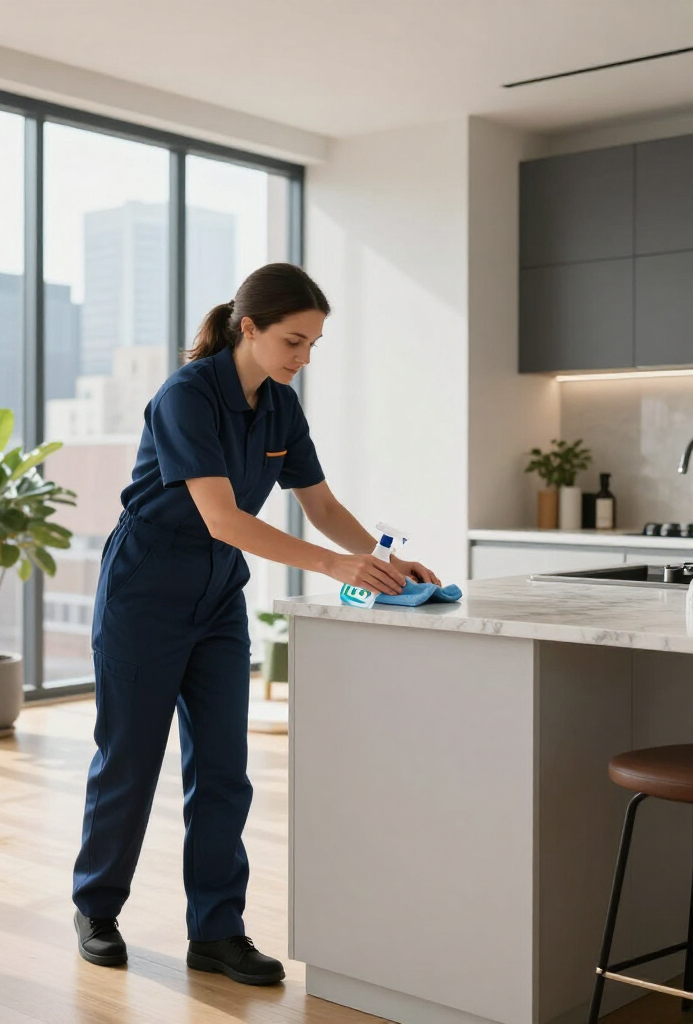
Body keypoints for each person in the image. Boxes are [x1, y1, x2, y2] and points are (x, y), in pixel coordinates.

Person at [72, 262, 441, 986]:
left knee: (222, 769)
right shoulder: (187, 396)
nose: (303, 359)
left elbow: (322, 506)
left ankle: (216, 931)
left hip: (217, 597)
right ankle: (96, 907)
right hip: (147, 588)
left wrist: (383, 561)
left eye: (313, 346)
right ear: (249, 328)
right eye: (293, 342)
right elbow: (222, 516)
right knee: (130, 759)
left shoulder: (279, 407)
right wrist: (336, 570)